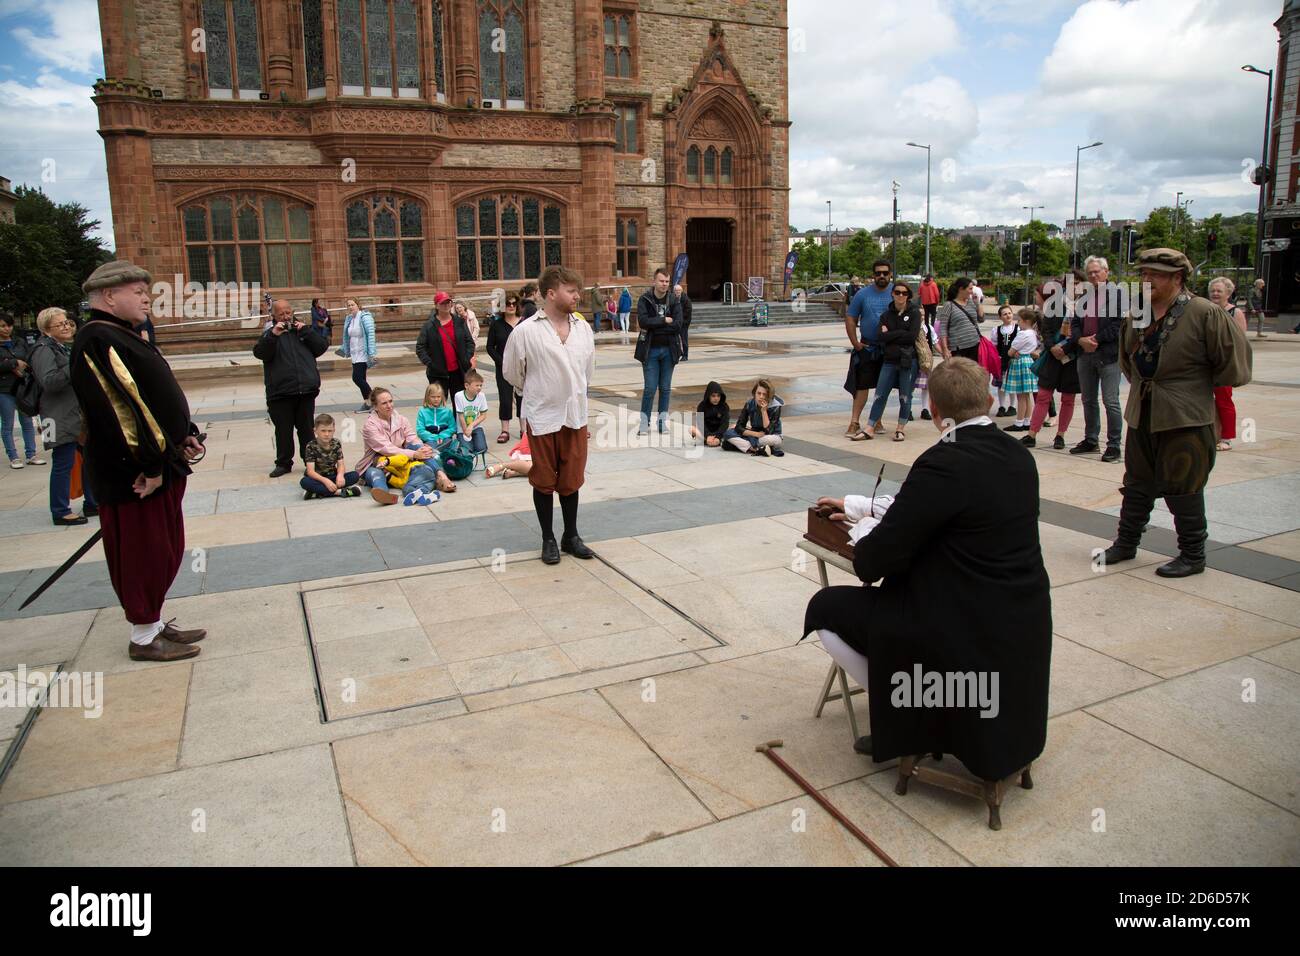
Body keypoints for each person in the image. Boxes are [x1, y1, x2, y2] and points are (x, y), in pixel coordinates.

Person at [802, 357, 1051, 774]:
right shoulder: (1017, 456)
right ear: (989, 399)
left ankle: (907, 714)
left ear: (935, 412)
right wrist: (859, 505)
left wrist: (862, 530)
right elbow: (935, 510)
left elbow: (875, 562)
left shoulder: (945, 460)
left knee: (825, 607)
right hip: (1021, 616)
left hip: (958, 623)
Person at [70, 260, 207, 662]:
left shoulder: (121, 335)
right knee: (142, 551)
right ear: (109, 296)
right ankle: (144, 636)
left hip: (160, 463)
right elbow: (120, 413)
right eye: (137, 291)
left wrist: (184, 433)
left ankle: (154, 620)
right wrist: (150, 466)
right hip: (134, 475)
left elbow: (151, 398)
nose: (147, 297)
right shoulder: (96, 339)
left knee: (164, 547)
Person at [1101, 249, 1252, 578]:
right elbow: (1128, 359)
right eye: (1143, 274)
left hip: (1186, 415)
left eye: (1154, 274)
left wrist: (1188, 386)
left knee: (1185, 485)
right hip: (1144, 411)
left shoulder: (1204, 312)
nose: (1146, 280)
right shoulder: (1139, 311)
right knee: (1137, 483)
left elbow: (1232, 366)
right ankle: (1126, 543)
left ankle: (1193, 554)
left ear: (1177, 278)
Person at [501, 264, 596, 565]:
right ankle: (548, 538)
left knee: (571, 478)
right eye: (571, 290)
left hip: (575, 415)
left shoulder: (583, 329)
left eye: (577, 290)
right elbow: (513, 373)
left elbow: (587, 373)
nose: (577, 296)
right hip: (542, 417)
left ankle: (571, 535)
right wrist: (540, 392)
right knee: (543, 479)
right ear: (551, 293)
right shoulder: (526, 331)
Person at [30, 308, 95, 525]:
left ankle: (92, 502)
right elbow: (49, 381)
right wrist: (73, 363)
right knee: (63, 462)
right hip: (57, 415)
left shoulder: (61, 347)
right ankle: (60, 510)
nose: (67, 327)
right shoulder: (43, 349)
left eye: (67, 322)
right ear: (47, 329)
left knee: (88, 459)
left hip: (75, 413)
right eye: (60, 324)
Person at [254, 298, 327, 478]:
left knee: (306, 429)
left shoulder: (302, 331)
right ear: (274, 315)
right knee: (283, 430)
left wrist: (306, 331)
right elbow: (260, 353)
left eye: (288, 312)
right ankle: (284, 463)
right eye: (281, 314)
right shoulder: (269, 334)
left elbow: (321, 347)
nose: (286, 317)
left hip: (305, 390)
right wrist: (274, 334)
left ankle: (310, 461)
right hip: (280, 392)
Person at [1060, 256, 1123, 463]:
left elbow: (1118, 326)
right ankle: (1091, 439)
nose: (1094, 276)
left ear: (1107, 272)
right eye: (1090, 273)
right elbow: (1075, 323)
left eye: (1097, 271)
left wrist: (1095, 339)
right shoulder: (1085, 298)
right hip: (1085, 354)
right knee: (1088, 399)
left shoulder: (1117, 296)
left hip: (1108, 355)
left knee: (1110, 401)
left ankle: (1114, 445)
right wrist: (1081, 340)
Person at [356, 387, 455, 504]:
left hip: (400, 460)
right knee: (376, 474)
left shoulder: (401, 419)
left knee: (420, 456)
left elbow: (412, 438)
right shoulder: (370, 426)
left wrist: (422, 448)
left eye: (390, 401)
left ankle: (440, 475)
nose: (389, 406)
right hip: (376, 462)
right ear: (375, 406)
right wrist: (414, 454)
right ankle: (384, 495)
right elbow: (387, 449)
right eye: (384, 403)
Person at [853, 281, 918, 443]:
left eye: (904, 293)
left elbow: (911, 336)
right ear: (892, 294)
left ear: (909, 295)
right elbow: (881, 337)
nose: (900, 295)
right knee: (880, 394)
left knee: (905, 396)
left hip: (908, 360)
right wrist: (901, 332)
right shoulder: (886, 315)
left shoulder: (915, 312)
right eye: (897, 292)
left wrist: (891, 333)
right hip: (889, 360)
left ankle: (900, 428)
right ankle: (870, 427)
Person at [1019, 300, 1079, 450]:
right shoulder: (1056, 305)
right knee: (1043, 396)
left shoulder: (1087, 306)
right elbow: (1046, 329)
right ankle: (1032, 434)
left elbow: (1084, 332)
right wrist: (1052, 347)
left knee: (1068, 399)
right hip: (1052, 356)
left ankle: (1060, 435)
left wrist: (1065, 348)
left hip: (1072, 357)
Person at [844, 260, 893, 437]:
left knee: (883, 386)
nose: (881, 276)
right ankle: (854, 422)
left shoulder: (897, 292)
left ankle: (876, 420)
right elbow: (850, 318)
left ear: (890, 274)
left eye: (885, 273)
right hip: (868, 346)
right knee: (861, 386)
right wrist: (855, 343)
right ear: (873, 275)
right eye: (878, 273)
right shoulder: (862, 295)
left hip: (888, 348)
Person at [636, 267, 683, 435]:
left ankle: (662, 424)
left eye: (667, 281)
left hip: (669, 350)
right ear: (654, 281)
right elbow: (643, 322)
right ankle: (644, 424)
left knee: (665, 388)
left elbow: (678, 325)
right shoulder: (645, 299)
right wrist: (664, 320)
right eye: (661, 281)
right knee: (650, 388)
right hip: (650, 350)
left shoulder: (674, 300)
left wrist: (656, 325)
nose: (664, 284)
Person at [1207, 277, 1248, 451]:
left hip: (1224, 363)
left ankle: (1226, 438)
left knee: (1224, 399)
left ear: (1228, 293)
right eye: (1213, 291)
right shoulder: (1206, 310)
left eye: (1219, 291)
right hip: (1206, 362)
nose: (1215, 294)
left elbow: (1240, 341)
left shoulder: (1235, 313)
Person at [0, 311, 43, 469]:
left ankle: (31, 454)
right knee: (8, 424)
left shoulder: (19, 341)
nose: (6, 329)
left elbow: (28, 358)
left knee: (27, 422)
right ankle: (13, 456)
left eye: (9, 325)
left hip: (23, 387)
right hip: (4, 389)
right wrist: (13, 363)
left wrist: (21, 364)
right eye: (3, 326)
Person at [416, 291, 475, 398]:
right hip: (438, 373)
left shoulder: (459, 322)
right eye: (442, 303)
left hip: (458, 371)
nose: (446, 305)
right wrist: (430, 363)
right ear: (436, 305)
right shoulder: (429, 326)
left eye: (448, 302)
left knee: (459, 405)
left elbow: (469, 342)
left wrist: (466, 358)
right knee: (438, 404)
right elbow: (420, 348)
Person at [486, 293, 524, 441]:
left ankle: (524, 429)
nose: (511, 306)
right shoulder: (496, 324)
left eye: (514, 304)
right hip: (503, 367)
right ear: (503, 306)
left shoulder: (524, 323)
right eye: (508, 304)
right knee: (505, 398)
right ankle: (505, 431)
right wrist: (501, 362)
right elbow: (490, 347)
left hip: (522, 367)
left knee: (523, 398)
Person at [301, 413, 360, 499]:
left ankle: (317, 493)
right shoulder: (311, 446)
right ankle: (339, 492)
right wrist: (326, 481)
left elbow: (341, 464)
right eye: (323, 431)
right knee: (304, 482)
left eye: (330, 431)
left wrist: (340, 475)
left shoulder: (336, 443)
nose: (327, 434)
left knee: (355, 475)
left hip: (333, 475)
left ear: (334, 430)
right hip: (318, 479)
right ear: (315, 430)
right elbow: (310, 471)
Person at [1001, 308, 1041, 432]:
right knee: (1027, 395)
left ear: (1026, 321)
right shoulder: (1033, 333)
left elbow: (1010, 351)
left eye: (1019, 320)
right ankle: (1027, 421)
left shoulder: (1023, 334)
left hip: (1020, 363)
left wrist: (1013, 352)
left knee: (1021, 396)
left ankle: (1019, 423)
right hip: (1029, 361)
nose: (1018, 322)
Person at [724, 379, 784, 455]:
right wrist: (755, 434)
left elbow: (769, 431)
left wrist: (764, 411)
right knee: (728, 433)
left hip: (770, 435)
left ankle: (750, 446)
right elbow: (739, 426)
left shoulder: (775, 406)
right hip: (755, 433)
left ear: (769, 395)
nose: (761, 397)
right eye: (759, 393)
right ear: (754, 393)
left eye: (764, 394)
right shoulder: (749, 403)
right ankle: (758, 449)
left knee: (773, 440)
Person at [339, 298, 376, 412]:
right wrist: (345, 349)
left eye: (353, 305)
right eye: (348, 305)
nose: (350, 307)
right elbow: (346, 335)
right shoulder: (349, 319)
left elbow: (370, 335)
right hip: (355, 353)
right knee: (362, 378)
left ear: (358, 305)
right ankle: (367, 403)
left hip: (363, 352)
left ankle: (373, 401)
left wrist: (371, 352)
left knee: (357, 378)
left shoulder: (365, 317)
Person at [937, 277, 982, 362]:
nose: (972, 291)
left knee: (973, 374)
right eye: (970, 289)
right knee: (960, 373)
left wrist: (978, 303)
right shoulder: (949, 305)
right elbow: (943, 328)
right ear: (961, 289)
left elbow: (981, 319)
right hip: (959, 348)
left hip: (975, 344)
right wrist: (945, 349)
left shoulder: (971, 302)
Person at [454, 369, 490, 459]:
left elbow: (483, 415)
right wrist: (466, 430)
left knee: (482, 449)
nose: (479, 388)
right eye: (476, 385)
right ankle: (461, 441)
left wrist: (471, 426)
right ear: (467, 386)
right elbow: (461, 416)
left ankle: (473, 440)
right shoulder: (459, 396)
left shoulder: (481, 396)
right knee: (467, 451)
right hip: (463, 428)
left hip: (476, 427)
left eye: (481, 385)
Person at [416, 381, 457, 456]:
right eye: (433, 397)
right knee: (430, 446)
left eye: (438, 397)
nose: (436, 399)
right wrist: (435, 437)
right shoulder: (422, 411)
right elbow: (420, 430)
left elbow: (453, 427)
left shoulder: (447, 411)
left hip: (445, 437)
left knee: (451, 444)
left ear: (442, 397)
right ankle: (435, 454)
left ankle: (436, 454)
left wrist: (442, 435)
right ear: (428, 397)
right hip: (429, 438)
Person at [991, 304, 1018, 416]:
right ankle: (1001, 406)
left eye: (1009, 313)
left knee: (1012, 385)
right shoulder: (996, 330)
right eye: (1005, 314)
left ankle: (1012, 406)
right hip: (1001, 360)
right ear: (1000, 317)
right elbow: (994, 346)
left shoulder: (1018, 328)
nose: (1008, 316)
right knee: (1001, 385)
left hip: (1013, 360)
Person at [689, 381, 729, 447]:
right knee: (691, 429)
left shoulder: (724, 406)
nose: (716, 398)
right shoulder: (702, 406)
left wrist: (718, 437)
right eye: (713, 396)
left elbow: (725, 423)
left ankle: (713, 441)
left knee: (733, 427)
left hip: (719, 432)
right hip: (706, 432)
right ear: (708, 396)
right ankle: (708, 440)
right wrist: (707, 435)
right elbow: (700, 423)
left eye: (718, 396)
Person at [675, 283, 693, 359]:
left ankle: (685, 355)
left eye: (679, 290)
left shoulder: (686, 299)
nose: (677, 292)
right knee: (676, 339)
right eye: (676, 290)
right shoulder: (673, 298)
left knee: (683, 338)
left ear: (681, 291)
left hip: (684, 322)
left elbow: (688, 311)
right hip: (676, 322)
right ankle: (678, 353)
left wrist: (680, 318)